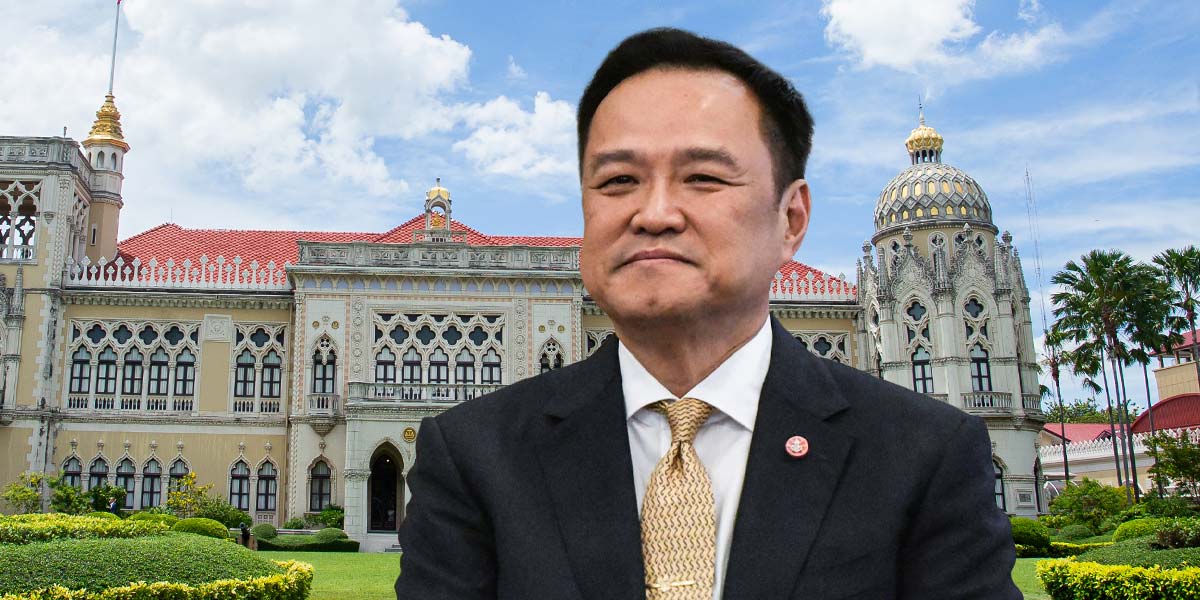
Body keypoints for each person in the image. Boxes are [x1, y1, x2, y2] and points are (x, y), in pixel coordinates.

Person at [395, 28, 1019, 599]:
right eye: (617, 181)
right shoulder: (473, 455)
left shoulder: (922, 453)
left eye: (702, 177)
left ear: (791, 220)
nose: (654, 214)